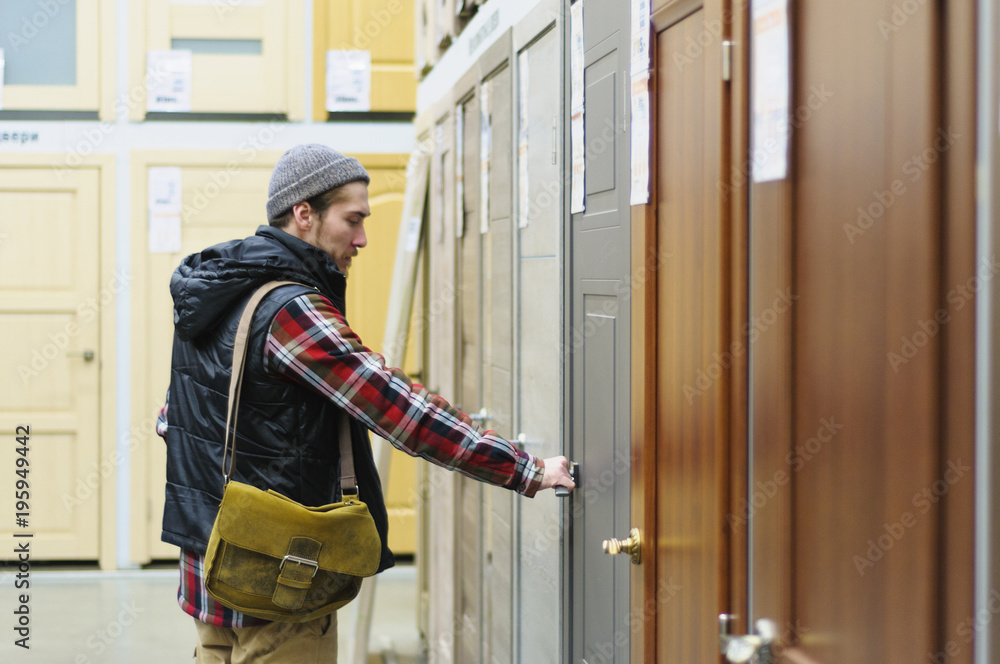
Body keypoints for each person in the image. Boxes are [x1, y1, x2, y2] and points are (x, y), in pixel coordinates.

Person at [155, 143, 574, 663]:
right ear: (304, 214)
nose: (363, 239)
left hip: (210, 567)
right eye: (352, 219)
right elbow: (400, 410)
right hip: (274, 582)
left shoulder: (217, 289)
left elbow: (174, 420)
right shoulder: (291, 310)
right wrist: (524, 468)